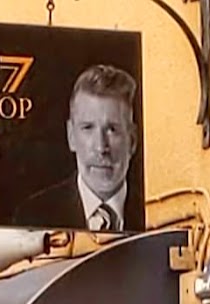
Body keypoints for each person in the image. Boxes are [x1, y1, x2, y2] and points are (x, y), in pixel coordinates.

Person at [14, 64, 142, 232]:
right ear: (71, 136)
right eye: (88, 128)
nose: (101, 147)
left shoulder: (156, 213)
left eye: (112, 129)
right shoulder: (32, 218)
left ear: (132, 140)